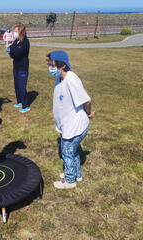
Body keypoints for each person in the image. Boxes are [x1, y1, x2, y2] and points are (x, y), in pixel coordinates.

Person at [47, 50, 95, 189]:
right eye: (49, 64)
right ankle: (76, 174)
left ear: (62, 66)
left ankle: (69, 180)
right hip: (68, 124)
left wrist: (89, 113)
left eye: (52, 65)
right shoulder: (60, 78)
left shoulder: (71, 80)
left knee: (67, 152)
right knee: (72, 151)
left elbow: (86, 101)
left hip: (75, 125)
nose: (50, 68)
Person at [9, 24, 30, 113]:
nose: (14, 33)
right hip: (16, 66)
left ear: (21, 32)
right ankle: (20, 101)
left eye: (16, 31)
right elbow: (12, 53)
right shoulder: (16, 41)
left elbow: (16, 53)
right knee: (17, 85)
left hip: (23, 67)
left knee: (22, 86)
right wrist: (12, 50)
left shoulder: (25, 42)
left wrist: (12, 50)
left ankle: (25, 106)